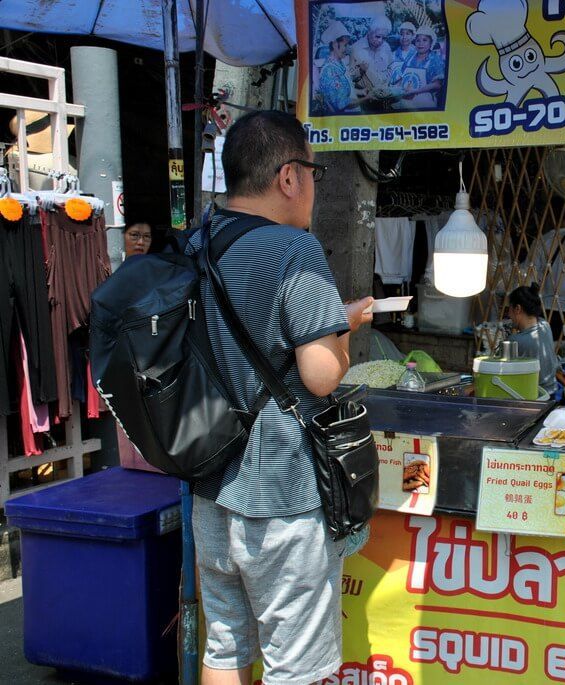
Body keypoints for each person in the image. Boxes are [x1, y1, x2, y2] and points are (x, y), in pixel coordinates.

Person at [185, 111, 374, 685]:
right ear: (289, 177)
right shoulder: (293, 247)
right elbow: (320, 376)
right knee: (294, 666)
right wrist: (343, 330)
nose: (314, 187)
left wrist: (322, 321)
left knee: (224, 647)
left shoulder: (199, 241)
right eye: (313, 172)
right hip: (282, 494)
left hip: (210, 483)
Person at [507, 284, 558, 397]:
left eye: (509, 309)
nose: (508, 314)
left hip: (534, 396)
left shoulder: (515, 341)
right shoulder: (545, 325)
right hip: (553, 391)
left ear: (517, 309)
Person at [392, 26, 444, 110]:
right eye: (418, 40)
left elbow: (437, 84)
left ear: (431, 42)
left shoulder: (435, 60)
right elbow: (402, 77)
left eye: (425, 40)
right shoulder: (410, 57)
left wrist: (415, 91)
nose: (420, 43)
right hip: (404, 97)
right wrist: (395, 88)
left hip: (425, 100)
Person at [315, 22, 355, 115]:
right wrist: (366, 98)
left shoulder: (340, 64)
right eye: (345, 45)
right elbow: (341, 104)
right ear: (334, 44)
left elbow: (345, 86)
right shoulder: (330, 70)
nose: (347, 49)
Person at [352, 17, 395, 99]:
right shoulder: (356, 48)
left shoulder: (386, 47)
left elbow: (391, 66)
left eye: (384, 38)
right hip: (364, 99)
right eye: (378, 36)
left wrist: (387, 80)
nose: (380, 41)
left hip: (385, 97)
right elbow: (349, 79)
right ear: (369, 31)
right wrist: (360, 71)